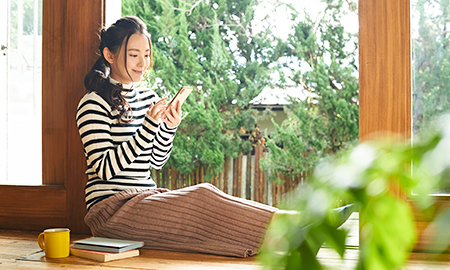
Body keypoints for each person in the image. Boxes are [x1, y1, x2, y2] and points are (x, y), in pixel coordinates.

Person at [76, 16, 278, 258]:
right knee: (201, 197)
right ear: (109, 55)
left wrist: (168, 127)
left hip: (145, 198)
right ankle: (295, 227)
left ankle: (294, 227)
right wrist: (149, 126)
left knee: (204, 196)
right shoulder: (93, 104)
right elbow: (105, 169)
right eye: (133, 55)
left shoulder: (147, 98)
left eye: (147, 54)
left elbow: (155, 162)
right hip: (111, 210)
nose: (143, 63)